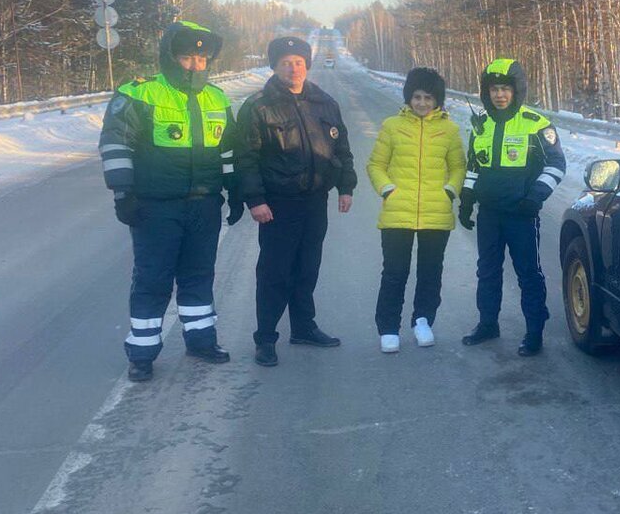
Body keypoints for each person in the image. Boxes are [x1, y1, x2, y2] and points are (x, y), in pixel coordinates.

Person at [98, 21, 242, 382]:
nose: (194, 65)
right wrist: (123, 192)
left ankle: (201, 340)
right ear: (170, 56)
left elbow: (228, 151)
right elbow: (115, 145)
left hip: (204, 204)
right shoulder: (139, 94)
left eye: (201, 58)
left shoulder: (218, 98)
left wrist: (235, 189)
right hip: (156, 206)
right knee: (153, 278)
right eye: (186, 57)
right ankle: (142, 353)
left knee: (198, 276)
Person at [235, 36, 357, 367]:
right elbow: (246, 157)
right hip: (278, 204)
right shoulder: (258, 106)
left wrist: (346, 186)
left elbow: (341, 148)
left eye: (299, 61)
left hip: (315, 200)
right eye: (286, 62)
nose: (294, 67)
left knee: (307, 268)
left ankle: (303, 327)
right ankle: (265, 338)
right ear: (274, 66)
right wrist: (256, 200)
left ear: (307, 64)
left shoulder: (324, 102)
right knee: (275, 272)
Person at [459, 58, 566, 356]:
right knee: (488, 271)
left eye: (506, 89)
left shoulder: (536, 124)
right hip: (489, 214)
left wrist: (534, 198)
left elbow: (557, 165)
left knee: (528, 273)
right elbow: (473, 166)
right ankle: (488, 324)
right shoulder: (481, 124)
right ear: (486, 92)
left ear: (516, 90)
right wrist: (467, 199)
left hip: (521, 214)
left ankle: (534, 331)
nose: (500, 95)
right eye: (494, 89)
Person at [367, 68, 465, 353]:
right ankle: (388, 328)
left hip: (436, 213)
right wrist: (388, 189)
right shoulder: (391, 126)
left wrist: (449, 191)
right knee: (395, 272)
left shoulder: (450, 130)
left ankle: (423, 320)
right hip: (398, 212)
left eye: (428, 98)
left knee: (430, 272)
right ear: (409, 97)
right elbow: (375, 165)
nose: (422, 103)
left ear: (438, 100)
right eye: (417, 97)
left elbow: (459, 166)